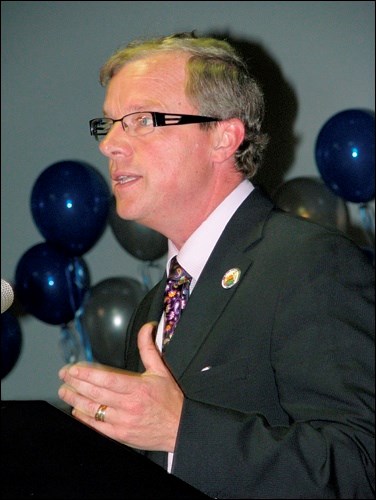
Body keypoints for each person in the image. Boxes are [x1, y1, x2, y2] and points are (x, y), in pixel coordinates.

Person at [58, 32, 375, 499]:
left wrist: (180, 432)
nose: (110, 145)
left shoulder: (309, 263)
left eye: (142, 120)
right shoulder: (154, 306)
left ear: (224, 136)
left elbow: (360, 464)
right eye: (109, 125)